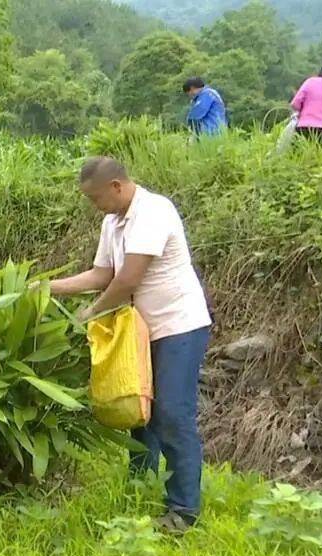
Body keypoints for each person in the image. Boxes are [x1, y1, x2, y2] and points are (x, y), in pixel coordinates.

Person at [49, 157, 212, 533]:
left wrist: (88, 314)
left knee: (172, 413)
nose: (95, 206)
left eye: (96, 198)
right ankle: (138, 486)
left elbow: (126, 280)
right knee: (140, 409)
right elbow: (101, 273)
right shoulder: (113, 222)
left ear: (117, 187)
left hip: (178, 325)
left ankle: (183, 510)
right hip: (142, 329)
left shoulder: (154, 211)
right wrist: (49, 286)